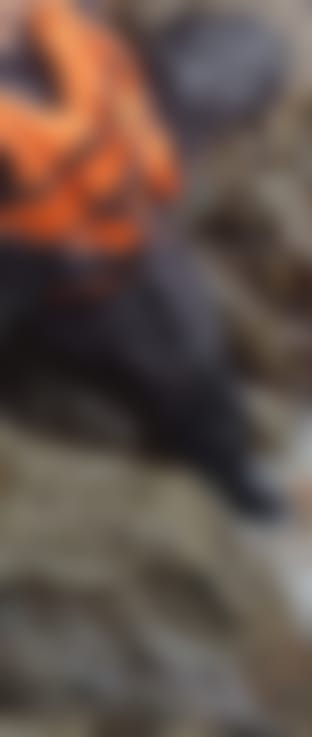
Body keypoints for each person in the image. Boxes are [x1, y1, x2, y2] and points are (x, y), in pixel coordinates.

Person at [0, 0, 286, 519]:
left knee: (248, 49)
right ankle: (238, 488)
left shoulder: (54, 22)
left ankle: (237, 480)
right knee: (186, 358)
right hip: (73, 265)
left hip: (129, 141)